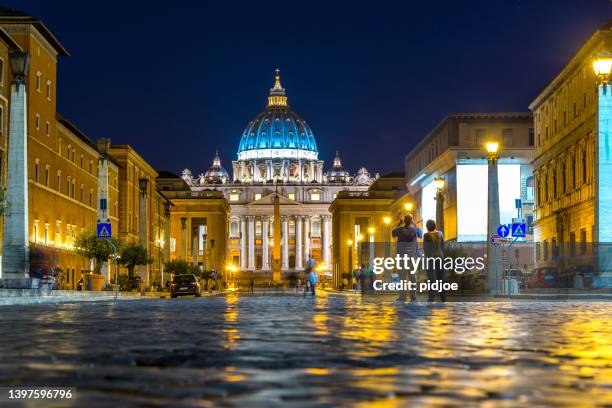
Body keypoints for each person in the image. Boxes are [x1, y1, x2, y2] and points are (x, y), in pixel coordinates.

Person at [392, 214, 421, 301]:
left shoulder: (399, 230)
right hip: (412, 257)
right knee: (413, 277)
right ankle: (413, 297)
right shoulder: (415, 230)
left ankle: (402, 297)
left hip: (402, 258)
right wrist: (414, 224)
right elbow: (421, 234)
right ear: (411, 221)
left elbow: (393, 233)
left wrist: (398, 224)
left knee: (402, 278)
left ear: (404, 221)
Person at [423, 219, 446, 302]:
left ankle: (431, 298)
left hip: (430, 259)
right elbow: (443, 246)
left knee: (431, 279)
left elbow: (425, 248)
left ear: (427, 227)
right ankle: (443, 298)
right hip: (440, 257)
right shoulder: (440, 234)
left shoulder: (426, 235)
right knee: (441, 278)